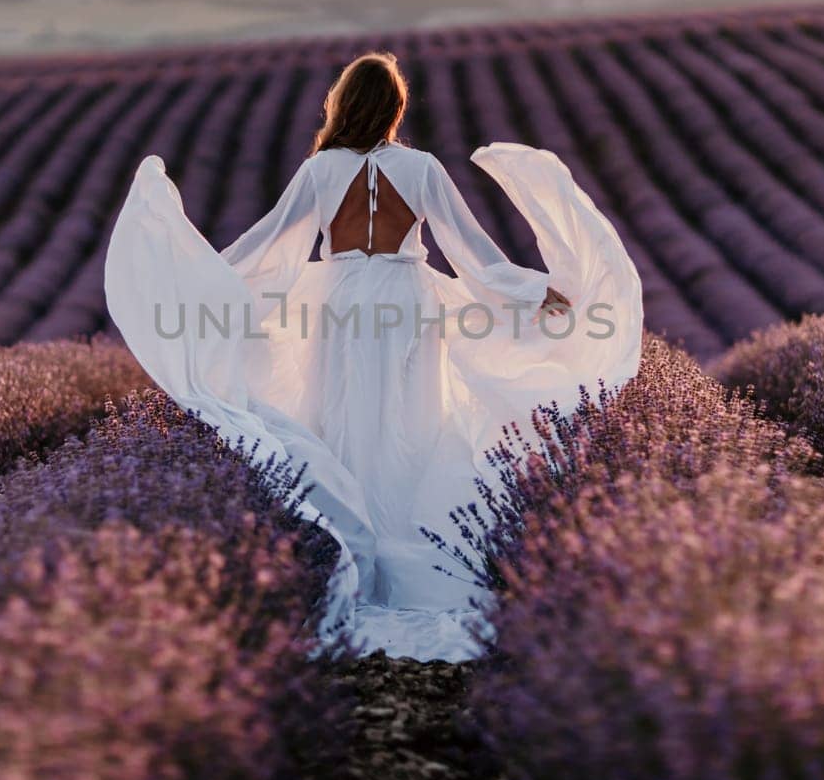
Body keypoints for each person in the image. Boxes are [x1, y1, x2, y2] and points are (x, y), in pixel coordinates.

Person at [104, 50, 642, 661]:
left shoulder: (319, 171)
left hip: (340, 301)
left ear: (342, 104)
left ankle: (347, 553)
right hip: (408, 302)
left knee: (338, 417)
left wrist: (205, 279)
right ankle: (407, 558)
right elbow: (473, 250)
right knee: (410, 422)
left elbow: (270, 242)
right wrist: (530, 290)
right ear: (395, 108)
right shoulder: (422, 168)